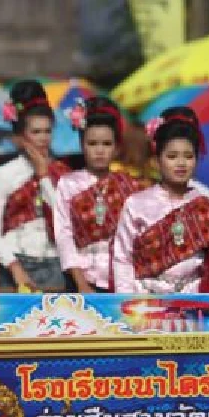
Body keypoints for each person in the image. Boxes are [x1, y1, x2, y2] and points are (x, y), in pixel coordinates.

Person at [111, 107, 209, 294]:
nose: (181, 163)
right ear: (157, 160)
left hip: (195, 300)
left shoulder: (207, 206)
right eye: (172, 156)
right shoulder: (136, 204)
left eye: (189, 156)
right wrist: (127, 301)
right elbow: (123, 260)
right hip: (146, 299)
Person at [52, 97, 143, 292]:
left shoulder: (129, 185)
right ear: (81, 144)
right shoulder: (68, 184)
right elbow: (64, 236)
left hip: (121, 281)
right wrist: (81, 284)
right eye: (92, 143)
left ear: (116, 147)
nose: (99, 150)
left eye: (106, 144)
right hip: (80, 280)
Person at [0, 80, 69, 291]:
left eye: (47, 131)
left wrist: (43, 176)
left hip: (54, 262)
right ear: (22, 135)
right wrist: (14, 267)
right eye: (36, 132)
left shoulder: (62, 172)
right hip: (15, 261)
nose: (43, 138)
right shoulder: (6, 172)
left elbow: (63, 219)